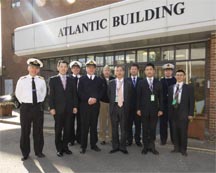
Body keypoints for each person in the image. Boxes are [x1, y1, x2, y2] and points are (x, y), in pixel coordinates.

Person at [15, 58, 46, 161]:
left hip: (37, 107)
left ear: (38, 70)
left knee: (38, 131)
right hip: (26, 108)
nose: (34, 70)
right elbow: (17, 94)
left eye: (36, 68)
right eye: (32, 67)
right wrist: (24, 102)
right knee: (25, 131)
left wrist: (38, 102)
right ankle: (25, 153)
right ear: (28, 68)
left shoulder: (41, 80)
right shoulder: (22, 80)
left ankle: (39, 152)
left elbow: (43, 93)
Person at [49, 60, 78, 157]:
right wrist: (52, 108)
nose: (63, 68)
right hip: (58, 110)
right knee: (58, 130)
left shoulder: (71, 80)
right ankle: (59, 149)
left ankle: (65, 147)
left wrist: (75, 106)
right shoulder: (53, 80)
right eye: (61, 66)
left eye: (65, 67)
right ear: (58, 68)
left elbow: (74, 95)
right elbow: (51, 96)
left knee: (68, 130)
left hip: (69, 110)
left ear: (67, 68)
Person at [137, 63, 163, 155]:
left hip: (154, 111)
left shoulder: (158, 83)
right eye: (147, 69)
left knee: (152, 129)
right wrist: (138, 109)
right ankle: (145, 147)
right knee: (144, 129)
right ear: (144, 72)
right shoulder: (141, 83)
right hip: (143, 111)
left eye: (150, 69)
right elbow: (138, 97)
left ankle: (152, 147)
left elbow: (161, 97)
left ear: (154, 71)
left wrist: (161, 109)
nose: (149, 71)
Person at [78, 60, 104, 154]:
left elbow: (101, 91)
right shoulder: (81, 79)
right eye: (89, 67)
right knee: (84, 126)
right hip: (85, 106)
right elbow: (80, 92)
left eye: (93, 67)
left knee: (93, 126)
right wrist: (88, 99)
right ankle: (83, 146)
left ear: (95, 69)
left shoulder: (99, 79)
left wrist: (96, 98)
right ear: (86, 69)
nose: (91, 69)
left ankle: (94, 144)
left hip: (95, 106)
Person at [168, 69, 194, 156]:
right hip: (173, 113)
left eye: (181, 75)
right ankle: (176, 148)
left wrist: (190, 114)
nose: (179, 76)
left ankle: (183, 149)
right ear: (175, 76)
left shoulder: (189, 87)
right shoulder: (171, 87)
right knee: (174, 131)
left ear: (184, 76)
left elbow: (192, 101)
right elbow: (170, 102)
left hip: (184, 113)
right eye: (177, 75)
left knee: (183, 132)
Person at [108, 65, 132, 154]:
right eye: (117, 70)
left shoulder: (128, 83)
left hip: (124, 108)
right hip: (114, 107)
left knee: (124, 128)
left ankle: (123, 147)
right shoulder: (111, 83)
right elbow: (109, 95)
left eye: (120, 70)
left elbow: (130, 96)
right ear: (114, 72)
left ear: (124, 72)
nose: (119, 72)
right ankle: (115, 146)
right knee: (114, 128)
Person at [160, 63, 176, 145]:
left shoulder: (175, 80)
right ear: (164, 72)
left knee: (173, 124)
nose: (168, 72)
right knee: (163, 124)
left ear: (172, 71)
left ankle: (174, 140)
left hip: (173, 106)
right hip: (164, 106)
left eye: (169, 70)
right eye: (166, 70)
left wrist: (174, 103)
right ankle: (163, 140)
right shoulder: (161, 81)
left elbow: (177, 94)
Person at [126, 63, 142, 147]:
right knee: (128, 125)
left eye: (135, 69)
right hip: (128, 108)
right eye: (132, 69)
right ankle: (129, 140)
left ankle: (137, 140)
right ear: (130, 70)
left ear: (138, 70)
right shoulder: (126, 80)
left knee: (138, 125)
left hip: (138, 108)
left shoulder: (141, 80)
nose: (133, 70)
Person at [99, 65, 115, 145]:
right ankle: (102, 138)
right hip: (103, 103)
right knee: (103, 121)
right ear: (103, 71)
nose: (107, 72)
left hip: (112, 103)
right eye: (105, 70)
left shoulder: (113, 79)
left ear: (110, 72)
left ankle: (111, 137)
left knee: (111, 121)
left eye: (108, 70)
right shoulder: (99, 80)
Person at [69, 61, 82, 145]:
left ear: (79, 69)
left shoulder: (83, 78)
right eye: (74, 68)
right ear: (71, 69)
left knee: (80, 122)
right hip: (71, 104)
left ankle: (79, 138)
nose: (76, 69)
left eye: (77, 68)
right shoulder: (68, 78)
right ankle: (71, 140)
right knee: (70, 122)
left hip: (81, 104)